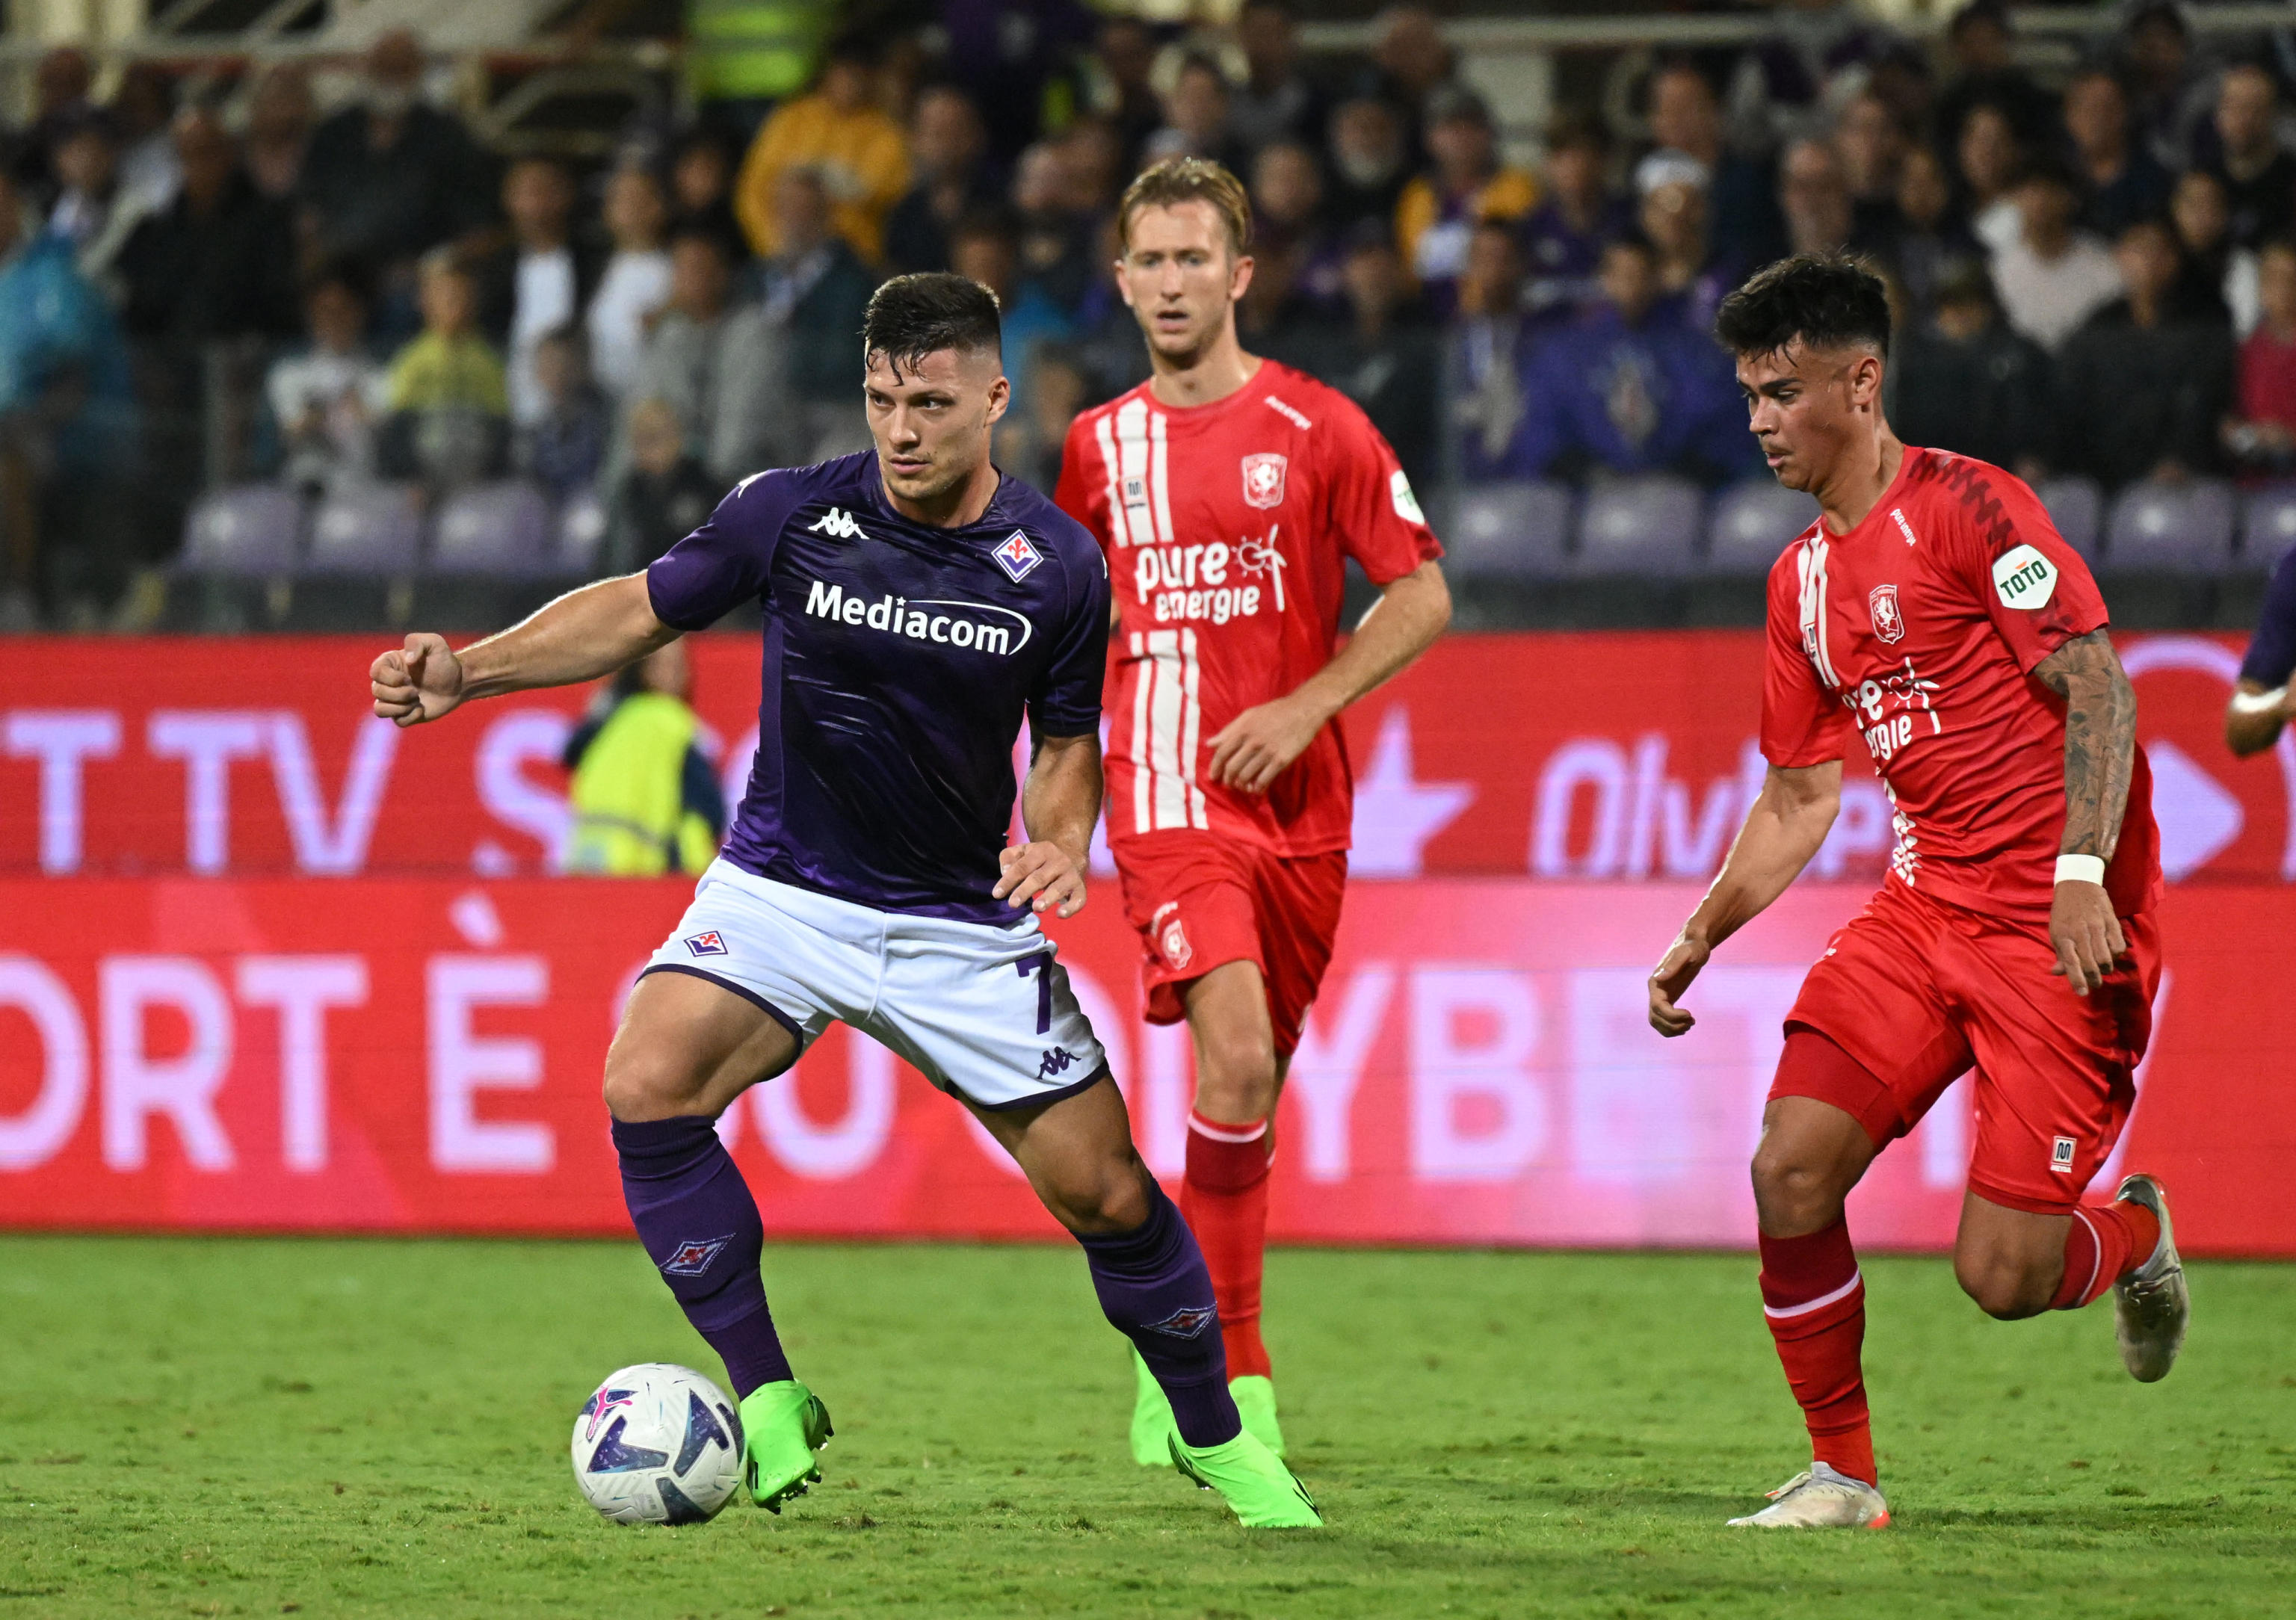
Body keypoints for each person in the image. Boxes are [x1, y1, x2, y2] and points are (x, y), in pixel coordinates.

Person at [369, 269, 1320, 1531]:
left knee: (1108, 1195)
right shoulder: (790, 515)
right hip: (782, 892)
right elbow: (638, 606)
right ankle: (765, 1394)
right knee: (645, 1080)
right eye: (881, 399)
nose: (903, 429)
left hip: (955, 924)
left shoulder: (1056, 568)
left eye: (930, 401)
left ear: (993, 398)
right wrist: (472, 671)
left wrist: (1059, 838)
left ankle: (1218, 1436)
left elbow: (1070, 739)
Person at [1648, 253, 2185, 1529]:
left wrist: (2072, 873)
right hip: (1919, 911)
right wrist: (1701, 929)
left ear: (1861, 379)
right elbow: (1796, 797)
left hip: (2059, 933)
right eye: (1748, 397)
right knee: (1788, 1168)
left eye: (1782, 391)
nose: (1761, 421)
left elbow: (2099, 687)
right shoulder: (1800, 583)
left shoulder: (1970, 510)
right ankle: (1842, 1474)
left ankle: (2134, 1237)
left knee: (2000, 1274)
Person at [1055, 158, 1450, 1469]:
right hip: (1166, 803)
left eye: (1191, 260)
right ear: (1121, 283)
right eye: (1147, 262)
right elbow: (1062, 633)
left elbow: (1420, 593)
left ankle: (1182, 1344)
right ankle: (1230, 1374)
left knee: (1254, 1089)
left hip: (1304, 815)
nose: (1169, 284)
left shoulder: (1318, 428)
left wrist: (1306, 704)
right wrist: (1056, 804)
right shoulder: (1094, 450)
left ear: (1237, 275)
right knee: (1229, 1060)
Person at [1504, 233, 1754, 485]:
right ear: (1605, 278)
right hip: (1584, 500)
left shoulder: (1697, 353)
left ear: (1658, 277)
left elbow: (1725, 427)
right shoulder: (1563, 353)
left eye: (1641, 274)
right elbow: (1541, 432)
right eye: (1622, 275)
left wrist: (1679, 475)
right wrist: (1590, 474)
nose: (1632, 285)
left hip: (1679, 498)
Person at [2055, 217, 2235, 491]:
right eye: (2139, 249)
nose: (2149, 261)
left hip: (2180, 481)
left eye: (2160, 250)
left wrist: (2179, 458)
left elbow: (2204, 406)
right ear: (2119, 256)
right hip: (2102, 480)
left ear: (2177, 260)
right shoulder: (2095, 330)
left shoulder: (2206, 329)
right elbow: (2072, 408)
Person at [732, 35, 909, 266]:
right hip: (783, 257)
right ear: (829, 72)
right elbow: (752, 193)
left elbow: (883, 191)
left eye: (860, 74)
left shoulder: (886, 132)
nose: (851, 82)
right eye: (845, 72)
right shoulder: (792, 118)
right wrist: (773, 249)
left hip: (853, 264)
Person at [560, 637, 726, 876]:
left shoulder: (611, 720)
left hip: (590, 865)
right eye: (666, 664)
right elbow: (706, 807)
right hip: (653, 872)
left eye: (680, 665)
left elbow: (570, 753)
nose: (678, 674)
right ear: (642, 669)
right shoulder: (672, 722)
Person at [1886, 257, 2053, 480]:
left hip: (2005, 477)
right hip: (1934, 477)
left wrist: (2033, 456)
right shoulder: (1916, 359)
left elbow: (2042, 425)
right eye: (1950, 303)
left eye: (1969, 302)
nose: (1959, 313)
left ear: (1987, 306)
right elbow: (1909, 428)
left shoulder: (2021, 356)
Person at [471, 157, 605, 430]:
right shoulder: (495, 266)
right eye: (524, 192)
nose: (535, 203)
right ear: (508, 200)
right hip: (510, 402)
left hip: (582, 405)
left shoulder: (594, 259)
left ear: (567, 195)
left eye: (545, 190)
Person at [1392, 84, 1537, 315]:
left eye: (1472, 126)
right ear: (1430, 138)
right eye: (1450, 127)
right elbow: (1408, 267)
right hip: (1426, 321)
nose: (1461, 136)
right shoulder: (1417, 194)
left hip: (1498, 316)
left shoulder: (1517, 187)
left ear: (1489, 133)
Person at [383, 249, 509, 487]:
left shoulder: (489, 361)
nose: (455, 303)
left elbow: (500, 427)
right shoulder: (411, 361)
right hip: (423, 478)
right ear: (425, 300)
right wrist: (413, 477)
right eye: (445, 295)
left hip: (479, 478)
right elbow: (397, 429)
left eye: (463, 294)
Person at [267, 259, 390, 496]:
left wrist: (357, 406)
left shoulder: (380, 377)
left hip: (361, 492)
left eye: (344, 310)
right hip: (305, 490)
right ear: (312, 315)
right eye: (325, 312)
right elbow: (290, 430)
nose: (335, 321)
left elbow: (381, 427)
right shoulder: (289, 374)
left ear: (360, 313)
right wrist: (317, 413)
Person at [1987, 155, 2123, 353]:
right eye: (2029, 191)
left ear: (2069, 199)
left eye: (2047, 190)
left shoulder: (2103, 263)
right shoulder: (1999, 269)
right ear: (2014, 199)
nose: (2039, 202)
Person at [587, 164, 676, 401]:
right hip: (602, 400)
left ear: (660, 206)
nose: (631, 207)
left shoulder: (674, 270)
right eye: (621, 199)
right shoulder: (593, 270)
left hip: (656, 401)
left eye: (639, 197)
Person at [2063, 67, 2170, 244]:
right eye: (2085, 107)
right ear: (2068, 116)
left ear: (2125, 113)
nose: (2096, 118)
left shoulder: (2153, 180)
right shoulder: (2052, 178)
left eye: (2106, 107)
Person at [2199, 62, 2296, 250]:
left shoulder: (2290, 179)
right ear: (2218, 114)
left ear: (2273, 114)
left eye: (2255, 108)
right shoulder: (2202, 177)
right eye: (2233, 106)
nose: (2244, 118)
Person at [2224, 238, 2296, 476]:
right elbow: (2229, 427)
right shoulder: (2243, 352)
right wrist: (2249, 436)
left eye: (2292, 278)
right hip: (2253, 480)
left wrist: (2288, 438)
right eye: (2274, 278)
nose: (2285, 287)